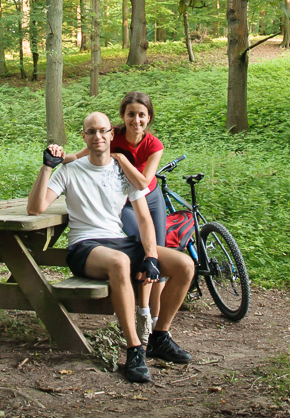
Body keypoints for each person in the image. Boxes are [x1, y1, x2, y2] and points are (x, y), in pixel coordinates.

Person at [28, 112, 195, 383]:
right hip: (85, 246)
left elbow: (144, 219)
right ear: (83, 136)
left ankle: (159, 337)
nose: (98, 136)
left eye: (103, 130)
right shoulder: (69, 170)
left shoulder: (123, 171)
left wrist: (151, 256)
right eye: (91, 131)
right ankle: (135, 349)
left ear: (111, 134)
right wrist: (47, 167)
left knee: (184, 265)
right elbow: (35, 208)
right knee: (120, 262)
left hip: (120, 242)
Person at [60, 92, 166, 346]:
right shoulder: (111, 135)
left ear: (149, 117)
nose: (136, 120)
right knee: (136, 245)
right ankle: (141, 312)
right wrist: (58, 159)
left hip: (150, 196)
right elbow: (80, 155)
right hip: (127, 199)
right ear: (123, 116)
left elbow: (143, 182)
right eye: (131, 114)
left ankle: (154, 316)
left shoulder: (154, 145)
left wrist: (121, 159)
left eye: (142, 115)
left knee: (156, 253)